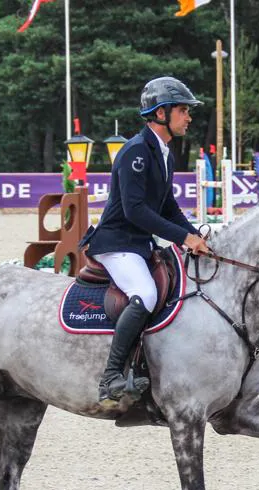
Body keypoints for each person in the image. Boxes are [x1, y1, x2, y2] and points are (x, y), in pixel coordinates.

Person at [80, 76, 211, 408]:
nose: (188, 117)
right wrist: (182, 237)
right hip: (117, 242)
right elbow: (135, 210)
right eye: (183, 110)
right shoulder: (136, 151)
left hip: (139, 244)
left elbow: (168, 207)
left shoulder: (165, 154)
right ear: (161, 113)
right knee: (146, 293)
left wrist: (194, 235)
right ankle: (111, 376)